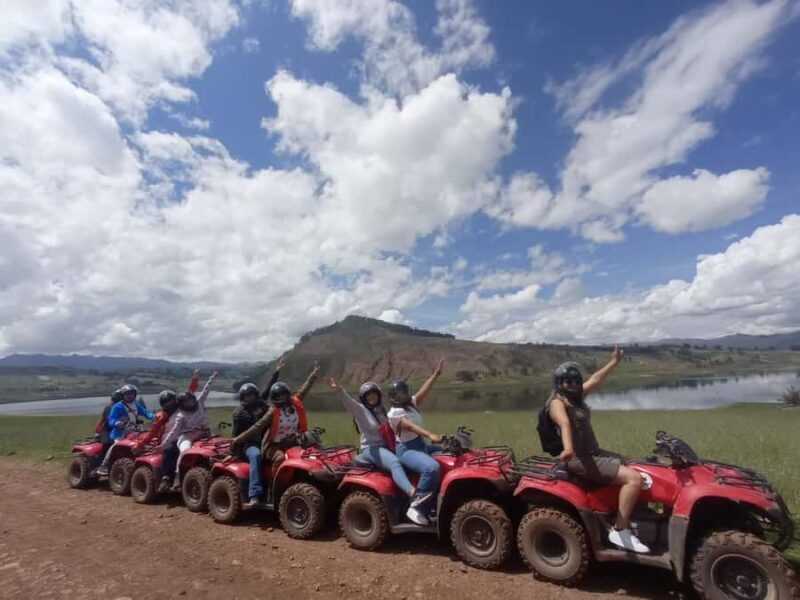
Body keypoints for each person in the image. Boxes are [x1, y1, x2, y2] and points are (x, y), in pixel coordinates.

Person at [547, 346, 649, 553]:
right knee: (633, 479)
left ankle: (633, 512)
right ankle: (619, 530)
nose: (574, 384)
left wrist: (614, 362)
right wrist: (567, 448)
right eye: (568, 381)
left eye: (576, 381)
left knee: (635, 462)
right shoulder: (556, 403)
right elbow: (564, 423)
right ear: (559, 383)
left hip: (594, 453)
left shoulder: (576, 396)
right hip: (579, 458)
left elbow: (595, 379)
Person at [325, 378, 425, 525]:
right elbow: (348, 402)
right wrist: (338, 389)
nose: (372, 397)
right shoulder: (360, 410)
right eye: (368, 395)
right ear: (364, 398)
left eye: (374, 394)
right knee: (395, 463)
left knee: (412, 458)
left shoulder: (383, 410)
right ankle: (412, 493)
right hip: (371, 448)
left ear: (378, 395)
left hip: (388, 446)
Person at [232, 361, 320, 509]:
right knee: (279, 457)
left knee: (314, 448)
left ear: (288, 394)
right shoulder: (272, 411)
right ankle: (273, 490)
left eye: (284, 394)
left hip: (293, 440)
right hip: (273, 445)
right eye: (278, 396)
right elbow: (257, 427)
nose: (282, 398)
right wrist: (237, 440)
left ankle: (314, 481)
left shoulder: (295, 403)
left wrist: (314, 373)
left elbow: (305, 388)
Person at [386, 358, 446, 520]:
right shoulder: (394, 414)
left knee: (449, 452)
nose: (401, 396)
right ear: (392, 397)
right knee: (431, 468)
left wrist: (436, 374)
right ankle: (416, 507)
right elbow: (410, 426)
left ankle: (436, 502)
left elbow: (424, 391)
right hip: (407, 450)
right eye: (397, 394)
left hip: (420, 446)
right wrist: (431, 435)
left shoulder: (410, 404)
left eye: (403, 393)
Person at [230, 357, 285, 506]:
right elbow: (236, 434)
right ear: (242, 398)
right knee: (256, 456)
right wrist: (233, 449)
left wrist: (277, 371)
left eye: (252, 395)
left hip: (266, 440)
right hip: (248, 444)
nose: (250, 398)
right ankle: (254, 493)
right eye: (247, 397)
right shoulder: (239, 413)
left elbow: (269, 388)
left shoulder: (261, 403)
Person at [158, 369, 218, 492]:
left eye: (190, 400)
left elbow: (206, 389)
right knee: (184, 452)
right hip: (187, 436)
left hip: (205, 433)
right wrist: (163, 445)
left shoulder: (199, 402)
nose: (190, 403)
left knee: (219, 446)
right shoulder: (181, 415)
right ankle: (177, 478)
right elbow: (174, 431)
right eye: (186, 402)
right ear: (182, 404)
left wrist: (213, 377)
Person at [95, 384, 154, 476]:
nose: (129, 395)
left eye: (131, 393)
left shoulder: (136, 404)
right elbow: (111, 419)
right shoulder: (117, 406)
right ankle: (104, 465)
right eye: (127, 394)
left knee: (146, 441)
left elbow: (145, 412)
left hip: (133, 430)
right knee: (116, 445)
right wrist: (116, 423)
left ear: (134, 395)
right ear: (123, 395)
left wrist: (154, 417)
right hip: (120, 431)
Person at [132, 390, 179, 454]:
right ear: (162, 404)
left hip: (186, 435)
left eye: (171, 400)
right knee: (168, 455)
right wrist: (140, 445)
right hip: (167, 441)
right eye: (166, 402)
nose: (170, 404)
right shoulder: (161, 416)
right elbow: (152, 431)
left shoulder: (182, 410)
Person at [94, 389, 123, 454]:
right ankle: (102, 462)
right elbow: (110, 421)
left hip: (123, 430)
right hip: (107, 430)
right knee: (108, 443)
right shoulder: (110, 407)